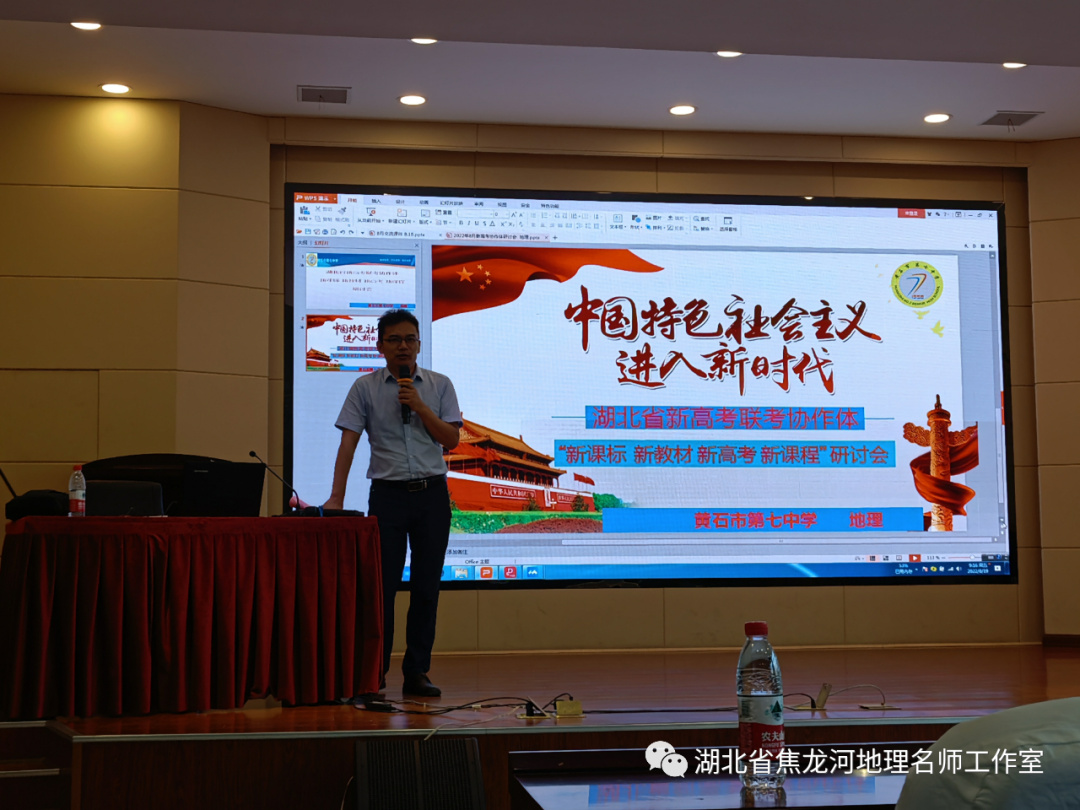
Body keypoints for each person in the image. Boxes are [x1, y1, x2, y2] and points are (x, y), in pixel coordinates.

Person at [324, 309, 461, 698]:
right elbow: (348, 444)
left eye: (410, 339)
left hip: (432, 496)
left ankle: (417, 672)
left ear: (418, 344)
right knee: (381, 590)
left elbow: (451, 440)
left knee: (426, 588)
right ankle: (375, 674)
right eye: (395, 339)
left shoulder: (439, 385)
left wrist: (420, 406)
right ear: (380, 345)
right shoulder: (364, 388)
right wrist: (336, 496)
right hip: (387, 497)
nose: (403, 346)